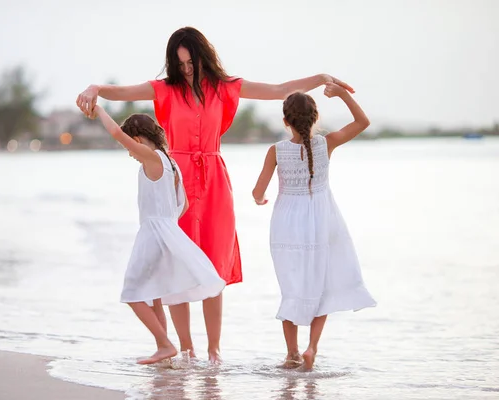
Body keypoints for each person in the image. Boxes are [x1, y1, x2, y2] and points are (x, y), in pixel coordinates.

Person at [77, 26, 354, 363]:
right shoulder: (163, 89)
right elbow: (121, 93)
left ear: (202, 56)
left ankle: (214, 350)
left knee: (215, 265)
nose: (186, 69)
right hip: (176, 182)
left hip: (213, 184)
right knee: (175, 264)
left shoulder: (225, 87)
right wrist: (95, 88)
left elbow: (279, 89)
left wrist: (322, 76)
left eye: (191, 62)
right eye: (179, 64)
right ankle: (187, 348)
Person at [251, 83, 377, 370]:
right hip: (322, 220)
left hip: (286, 225)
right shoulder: (326, 143)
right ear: (315, 118)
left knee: (292, 287)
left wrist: (260, 199)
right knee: (322, 285)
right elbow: (363, 122)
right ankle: (311, 349)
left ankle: (291, 353)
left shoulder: (276, 150)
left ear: (285, 121)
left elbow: (258, 191)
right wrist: (344, 95)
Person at [89, 105, 226, 365]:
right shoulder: (171, 163)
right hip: (169, 231)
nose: (130, 153)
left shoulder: (151, 158)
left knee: (132, 292)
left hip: (153, 233)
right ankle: (163, 348)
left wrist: (99, 111)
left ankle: (164, 344)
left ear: (138, 140)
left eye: (130, 147)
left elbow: (117, 133)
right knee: (155, 295)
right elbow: (183, 205)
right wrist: (167, 221)